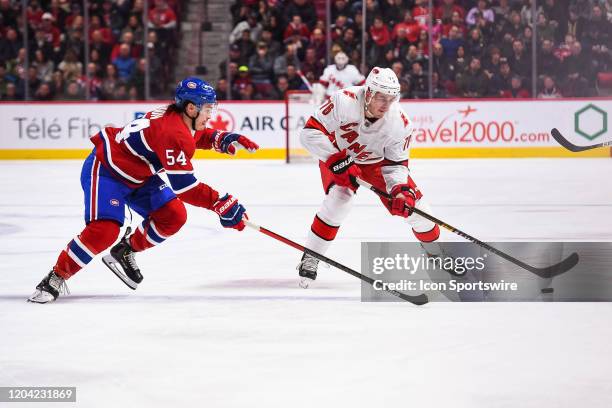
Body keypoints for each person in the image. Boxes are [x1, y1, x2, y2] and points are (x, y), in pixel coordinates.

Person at [28, 77, 259, 303]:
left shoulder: (177, 116)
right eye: (208, 109)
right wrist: (221, 203)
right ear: (191, 108)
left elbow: (195, 134)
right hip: (107, 169)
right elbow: (185, 187)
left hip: (137, 174)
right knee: (105, 230)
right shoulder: (173, 132)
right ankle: (56, 277)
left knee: (173, 216)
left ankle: (125, 251)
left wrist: (220, 138)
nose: (211, 115)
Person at [296, 67, 442, 288]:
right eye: (381, 97)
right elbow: (309, 133)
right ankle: (312, 255)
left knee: (419, 211)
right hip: (338, 156)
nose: (385, 104)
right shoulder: (343, 101)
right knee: (340, 200)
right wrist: (335, 159)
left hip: (376, 164)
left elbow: (396, 165)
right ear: (369, 93)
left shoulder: (400, 123)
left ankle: (438, 256)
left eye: (391, 98)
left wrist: (400, 190)